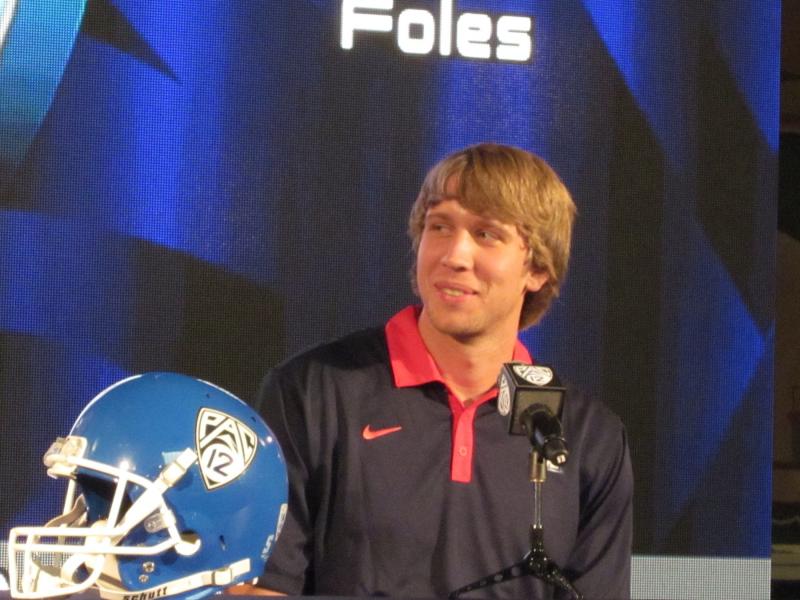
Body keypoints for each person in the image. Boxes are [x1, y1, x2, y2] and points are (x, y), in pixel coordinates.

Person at [237, 143, 632, 598]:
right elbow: (261, 589)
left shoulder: (590, 437)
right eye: (439, 226)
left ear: (537, 269)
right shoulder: (311, 393)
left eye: (486, 234)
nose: (454, 255)